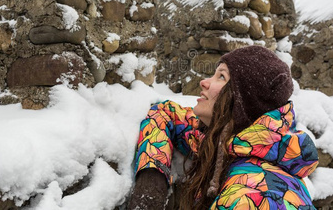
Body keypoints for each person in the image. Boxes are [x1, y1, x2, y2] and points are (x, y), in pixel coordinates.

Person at [128, 46, 319, 210]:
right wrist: (151, 183)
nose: (204, 82)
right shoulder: (225, 143)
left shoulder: (260, 198)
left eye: (221, 76)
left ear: (243, 101)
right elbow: (165, 112)